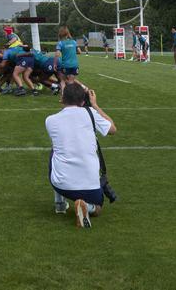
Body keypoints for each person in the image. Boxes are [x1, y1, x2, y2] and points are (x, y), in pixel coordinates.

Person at [45, 83, 116, 228]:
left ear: (61, 99)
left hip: (62, 185)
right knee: (98, 208)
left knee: (55, 151)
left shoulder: (50, 120)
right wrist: (95, 105)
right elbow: (112, 129)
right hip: (91, 185)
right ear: (84, 101)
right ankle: (87, 207)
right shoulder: (90, 113)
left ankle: (60, 204)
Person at [54, 25, 81, 94]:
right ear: (67, 33)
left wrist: (55, 64)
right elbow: (79, 52)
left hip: (65, 65)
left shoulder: (60, 43)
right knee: (71, 82)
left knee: (62, 81)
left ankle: (63, 96)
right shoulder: (74, 42)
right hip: (74, 65)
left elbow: (57, 54)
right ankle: (72, 97)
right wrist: (72, 52)